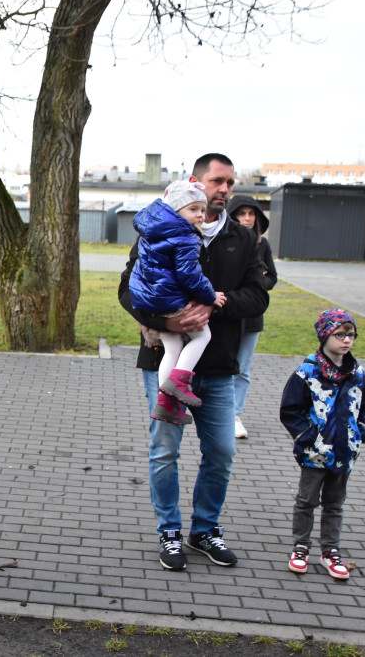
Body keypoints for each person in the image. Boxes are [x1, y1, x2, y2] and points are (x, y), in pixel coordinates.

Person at [119, 153, 269, 571]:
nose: (224, 190)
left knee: (221, 452)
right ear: (194, 182)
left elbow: (258, 296)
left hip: (218, 365)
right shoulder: (160, 228)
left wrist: (209, 310)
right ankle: (169, 533)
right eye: (217, 181)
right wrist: (164, 319)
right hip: (162, 359)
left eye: (229, 183)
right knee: (164, 452)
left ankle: (204, 530)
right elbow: (128, 289)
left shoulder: (243, 239)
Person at [280, 308, 365, 580]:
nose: (346, 340)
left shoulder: (359, 374)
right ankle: (300, 547)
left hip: (345, 451)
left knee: (335, 503)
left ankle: (330, 551)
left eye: (351, 335)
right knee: (306, 500)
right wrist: (306, 436)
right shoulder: (307, 372)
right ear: (324, 336)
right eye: (340, 334)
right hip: (315, 453)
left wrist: (362, 431)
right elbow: (290, 410)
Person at [129, 180, 226, 425]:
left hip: (148, 297)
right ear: (176, 209)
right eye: (194, 209)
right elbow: (189, 275)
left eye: (203, 210)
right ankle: (180, 381)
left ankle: (165, 404)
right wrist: (211, 296)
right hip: (169, 296)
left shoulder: (152, 230)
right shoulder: (185, 236)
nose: (201, 215)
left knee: (171, 348)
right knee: (202, 337)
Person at [227, 195, 277, 439]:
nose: (247, 218)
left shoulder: (262, 245)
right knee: (222, 364)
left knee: (243, 369)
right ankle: (217, 411)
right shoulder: (225, 241)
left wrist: (257, 282)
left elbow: (270, 278)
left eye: (251, 213)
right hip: (227, 314)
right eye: (241, 213)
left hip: (253, 317)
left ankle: (235, 415)